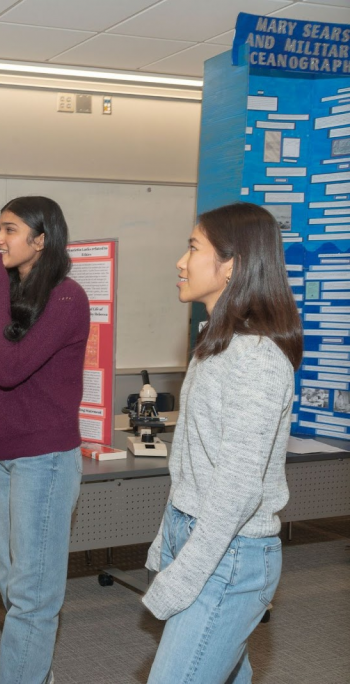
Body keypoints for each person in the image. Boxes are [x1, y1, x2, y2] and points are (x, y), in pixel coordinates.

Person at [143, 203, 301, 683]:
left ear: (230, 265)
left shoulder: (255, 359)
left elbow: (236, 490)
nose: (180, 261)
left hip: (228, 556)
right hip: (199, 538)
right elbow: (196, 464)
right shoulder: (216, 340)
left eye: (193, 248)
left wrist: (183, 576)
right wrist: (164, 542)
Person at [0, 197, 90, 684]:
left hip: (45, 462)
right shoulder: (9, 296)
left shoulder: (66, 298)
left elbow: (14, 369)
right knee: (12, 586)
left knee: (32, 599)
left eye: (10, 230)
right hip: (0, 458)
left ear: (42, 239)